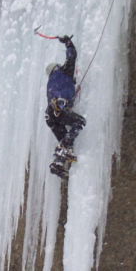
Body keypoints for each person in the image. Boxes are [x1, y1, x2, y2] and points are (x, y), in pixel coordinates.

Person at [45, 35, 86, 179]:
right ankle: (62, 154)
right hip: (59, 109)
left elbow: (61, 93)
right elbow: (72, 56)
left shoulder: (51, 84)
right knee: (80, 122)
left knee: (66, 143)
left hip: (50, 116)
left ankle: (58, 163)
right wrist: (68, 43)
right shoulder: (63, 72)